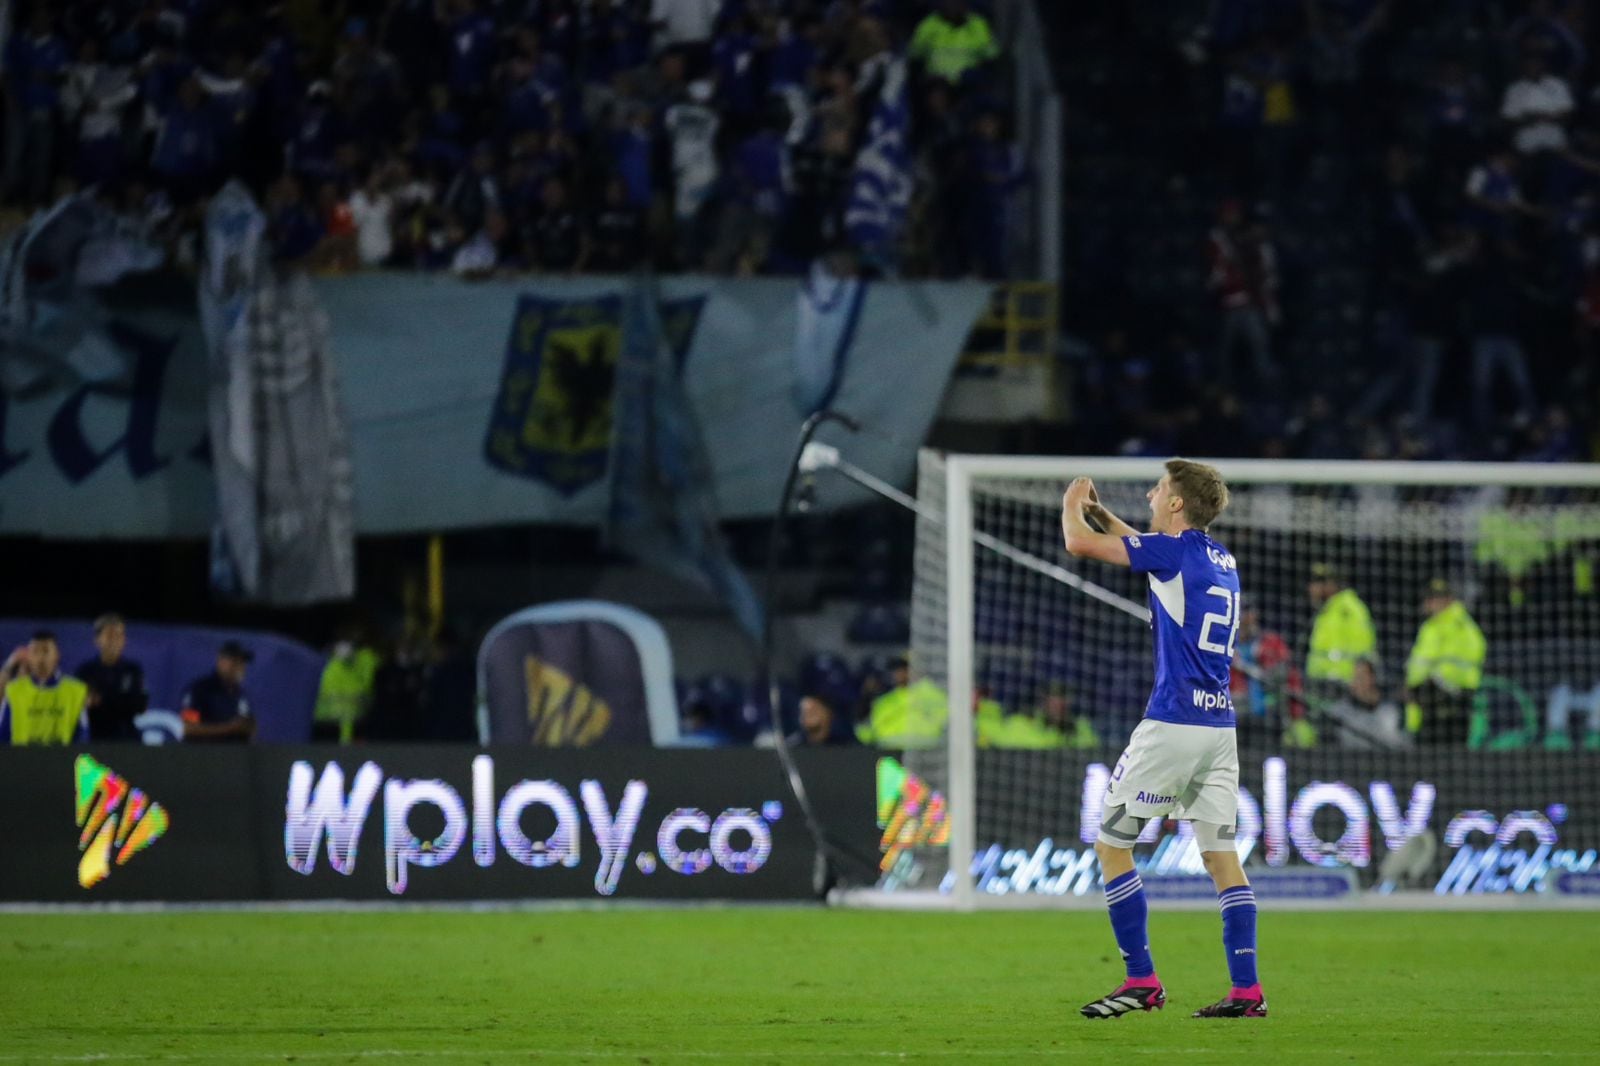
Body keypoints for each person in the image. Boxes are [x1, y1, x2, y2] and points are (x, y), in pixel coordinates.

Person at [1062, 459, 1266, 1020]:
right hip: (1219, 729)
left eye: (1159, 489)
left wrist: (1073, 503)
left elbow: (1077, 544)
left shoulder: (1172, 553)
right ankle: (1247, 992)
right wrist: (1112, 519)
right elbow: (1153, 553)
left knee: (1111, 846)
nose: (1151, 494)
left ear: (1176, 504)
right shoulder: (1220, 559)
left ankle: (1141, 980)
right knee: (1222, 857)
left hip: (1172, 724)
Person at [1404, 579, 1487, 745]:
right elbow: (1419, 665)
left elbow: (1463, 668)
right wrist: (1414, 687)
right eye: (1430, 598)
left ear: (1449, 599)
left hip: (1452, 708)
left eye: (1436, 598)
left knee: (1449, 763)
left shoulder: (1461, 626)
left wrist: (1434, 684)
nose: (1431, 603)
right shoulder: (1429, 627)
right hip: (1423, 706)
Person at [1305, 562, 1379, 708]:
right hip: (1319, 687)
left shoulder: (1349, 608)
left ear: (1330, 585)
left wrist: (1360, 683)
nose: (1311, 589)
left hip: (1342, 690)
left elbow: (1363, 652)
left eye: (1316, 584)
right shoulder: (1327, 611)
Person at [0, 631, 91, 746]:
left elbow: (82, 736)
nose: (40, 658)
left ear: (57, 655)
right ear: (29, 656)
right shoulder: (14, 690)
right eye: (35, 651)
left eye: (46, 651)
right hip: (22, 761)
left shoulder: (76, 690)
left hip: (61, 760)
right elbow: (3, 735)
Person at [74, 614, 148, 742]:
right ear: (97, 640)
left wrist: (102, 700)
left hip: (127, 740)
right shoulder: (85, 671)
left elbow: (139, 705)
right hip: (94, 740)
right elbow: (81, 706)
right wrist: (121, 700)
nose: (114, 640)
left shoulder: (132, 670)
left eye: (118, 635)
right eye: (109, 635)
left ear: (124, 640)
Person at [855, 655, 947, 749]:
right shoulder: (884, 701)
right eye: (897, 670)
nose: (899, 674)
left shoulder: (934, 696)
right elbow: (866, 735)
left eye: (904, 669)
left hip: (925, 752)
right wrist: (863, 706)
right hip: (889, 754)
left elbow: (948, 727)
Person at [179, 640, 257, 743]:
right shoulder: (200, 689)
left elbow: (244, 727)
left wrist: (248, 730)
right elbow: (188, 727)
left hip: (232, 756)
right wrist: (230, 728)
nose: (240, 667)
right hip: (202, 755)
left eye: (242, 663)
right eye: (235, 661)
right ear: (221, 661)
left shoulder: (240, 694)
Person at [787, 691, 855, 747]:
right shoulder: (793, 745)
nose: (808, 714)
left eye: (814, 710)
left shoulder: (843, 743)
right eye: (804, 711)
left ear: (828, 713)